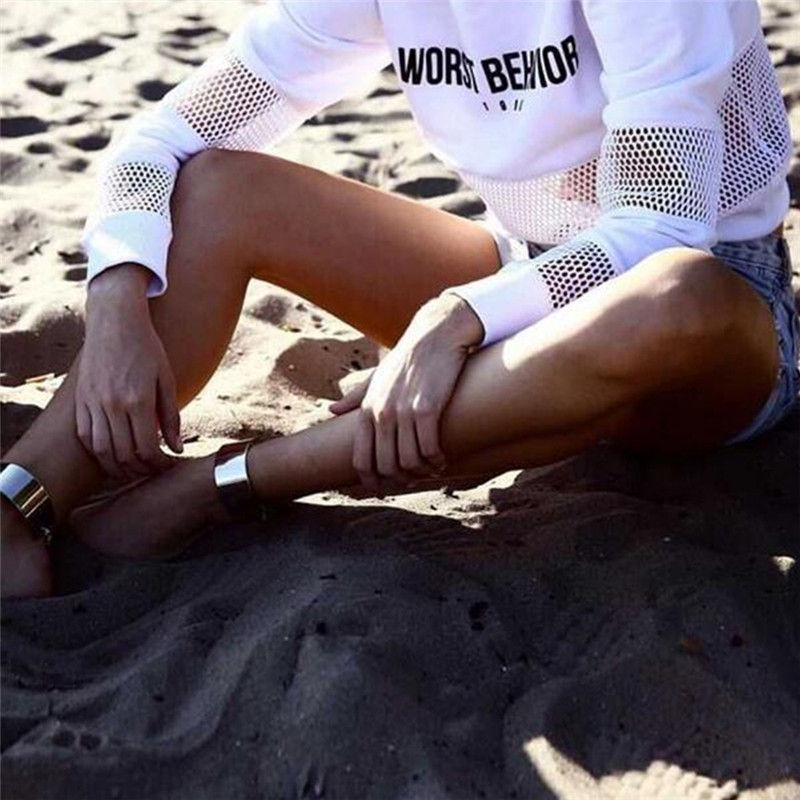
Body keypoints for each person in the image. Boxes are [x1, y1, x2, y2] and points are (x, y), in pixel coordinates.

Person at [1, 0, 797, 598]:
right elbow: (164, 138)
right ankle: (17, 503)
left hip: (705, 316)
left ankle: (224, 484)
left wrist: (460, 315)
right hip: (525, 271)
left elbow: (661, 228)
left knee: (675, 294)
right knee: (217, 191)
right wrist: (115, 300)